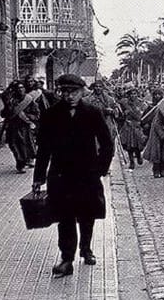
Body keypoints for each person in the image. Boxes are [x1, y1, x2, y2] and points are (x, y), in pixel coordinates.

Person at [32, 74, 114, 277]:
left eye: (73, 92)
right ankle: (66, 259)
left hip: (87, 174)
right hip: (61, 175)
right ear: (60, 92)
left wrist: (100, 170)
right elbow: (43, 149)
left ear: (82, 91)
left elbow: (107, 144)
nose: (69, 96)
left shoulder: (93, 113)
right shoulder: (51, 115)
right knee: (64, 216)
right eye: (65, 92)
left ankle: (86, 249)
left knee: (87, 214)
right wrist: (38, 178)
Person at [2, 81, 39, 173]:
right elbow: (4, 114)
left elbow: (37, 115)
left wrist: (26, 115)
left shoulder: (29, 100)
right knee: (14, 146)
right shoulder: (11, 101)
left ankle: (27, 160)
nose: (20, 90)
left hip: (25, 127)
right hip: (13, 127)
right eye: (18, 88)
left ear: (25, 89)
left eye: (22, 88)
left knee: (26, 145)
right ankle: (20, 163)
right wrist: (8, 109)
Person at [119, 88, 148, 169]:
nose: (133, 95)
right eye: (131, 94)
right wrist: (124, 114)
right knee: (129, 145)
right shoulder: (125, 103)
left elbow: (143, 114)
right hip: (128, 126)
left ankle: (138, 156)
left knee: (138, 144)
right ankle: (131, 161)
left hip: (138, 126)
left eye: (134, 93)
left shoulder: (141, 103)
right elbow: (120, 113)